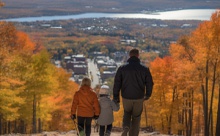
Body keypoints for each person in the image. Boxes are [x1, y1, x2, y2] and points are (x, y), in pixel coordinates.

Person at [113, 48, 154, 136]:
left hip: (126, 96)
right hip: (139, 97)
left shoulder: (122, 68)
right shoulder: (144, 69)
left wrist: (116, 97)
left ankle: (126, 127)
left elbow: (117, 83)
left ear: (129, 55)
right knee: (136, 117)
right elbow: (149, 83)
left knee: (127, 112)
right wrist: (148, 95)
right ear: (138, 55)